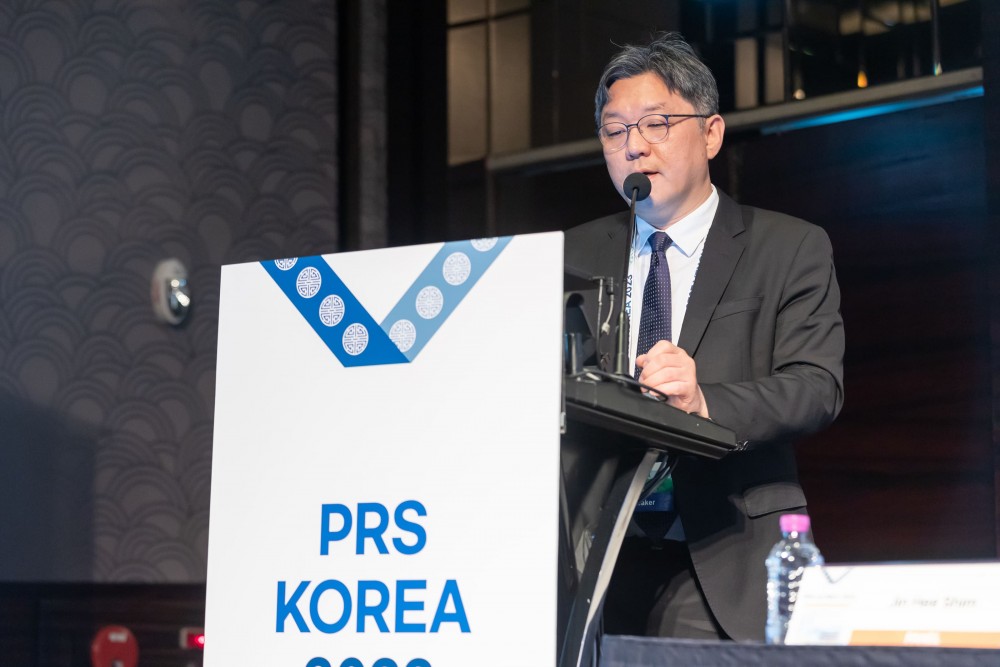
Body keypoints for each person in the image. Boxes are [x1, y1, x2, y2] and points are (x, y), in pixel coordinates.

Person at [564, 33, 845, 641]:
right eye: (615, 131)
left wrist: (704, 401)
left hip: (721, 547)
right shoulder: (571, 254)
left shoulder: (787, 246)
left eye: (656, 124)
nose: (634, 146)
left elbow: (816, 387)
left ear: (711, 134)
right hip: (591, 554)